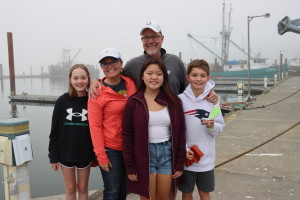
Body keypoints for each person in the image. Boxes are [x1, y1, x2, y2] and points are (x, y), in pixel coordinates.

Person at [89, 20, 218, 103]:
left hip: (173, 122)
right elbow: (113, 77)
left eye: (154, 36)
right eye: (146, 38)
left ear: (162, 38)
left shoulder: (176, 62)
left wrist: (208, 92)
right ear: (142, 41)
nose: (150, 41)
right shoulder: (132, 65)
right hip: (144, 124)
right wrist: (96, 82)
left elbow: (190, 89)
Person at [122, 58, 186, 200]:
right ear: (143, 76)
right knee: (147, 197)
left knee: (166, 197)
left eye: (159, 74)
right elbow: (127, 135)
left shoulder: (174, 101)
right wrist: (130, 167)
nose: (154, 77)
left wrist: (180, 162)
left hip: (167, 154)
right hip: (144, 155)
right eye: (149, 73)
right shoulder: (134, 102)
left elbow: (181, 132)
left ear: (164, 77)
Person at [88, 47, 136, 200]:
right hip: (111, 149)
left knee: (124, 189)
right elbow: (94, 126)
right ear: (101, 68)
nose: (109, 66)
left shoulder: (131, 83)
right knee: (112, 190)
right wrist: (101, 156)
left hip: (130, 146)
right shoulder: (97, 92)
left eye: (113, 62)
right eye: (105, 64)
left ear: (121, 63)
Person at [178, 59, 225, 200]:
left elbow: (220, 127)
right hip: (187, 158)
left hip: (206, 159)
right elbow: (177, 129)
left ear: (208, 78)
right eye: (194, 75)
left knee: (204, 193)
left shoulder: (213, 102)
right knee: (186, 193)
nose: (198, 79)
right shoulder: (180, 100)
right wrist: (184, 149)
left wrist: (212, 126)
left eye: (203, 76)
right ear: (188, 77)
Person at [48, 64, 95, 200]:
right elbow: (54, 131)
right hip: (65, 152)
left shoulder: (93, 100)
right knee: (70, 189)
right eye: (75, 78)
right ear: (70, 80)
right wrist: (53, 156)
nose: (79, 81)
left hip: (85, 153)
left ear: (88, 79)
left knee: (83, 188)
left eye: (83, 78)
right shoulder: (62, 101)